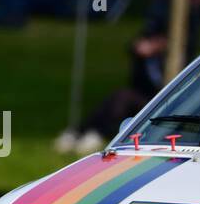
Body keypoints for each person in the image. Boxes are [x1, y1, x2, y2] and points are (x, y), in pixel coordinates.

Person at [55, 16, 167, 152]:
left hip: (159, 101)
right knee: (118, 98)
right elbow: (131, 48)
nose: (150, 44)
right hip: (140, 96)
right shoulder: (144, 59)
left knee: (122, 97)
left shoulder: (169, 59)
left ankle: (97, 133)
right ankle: (81, 132)